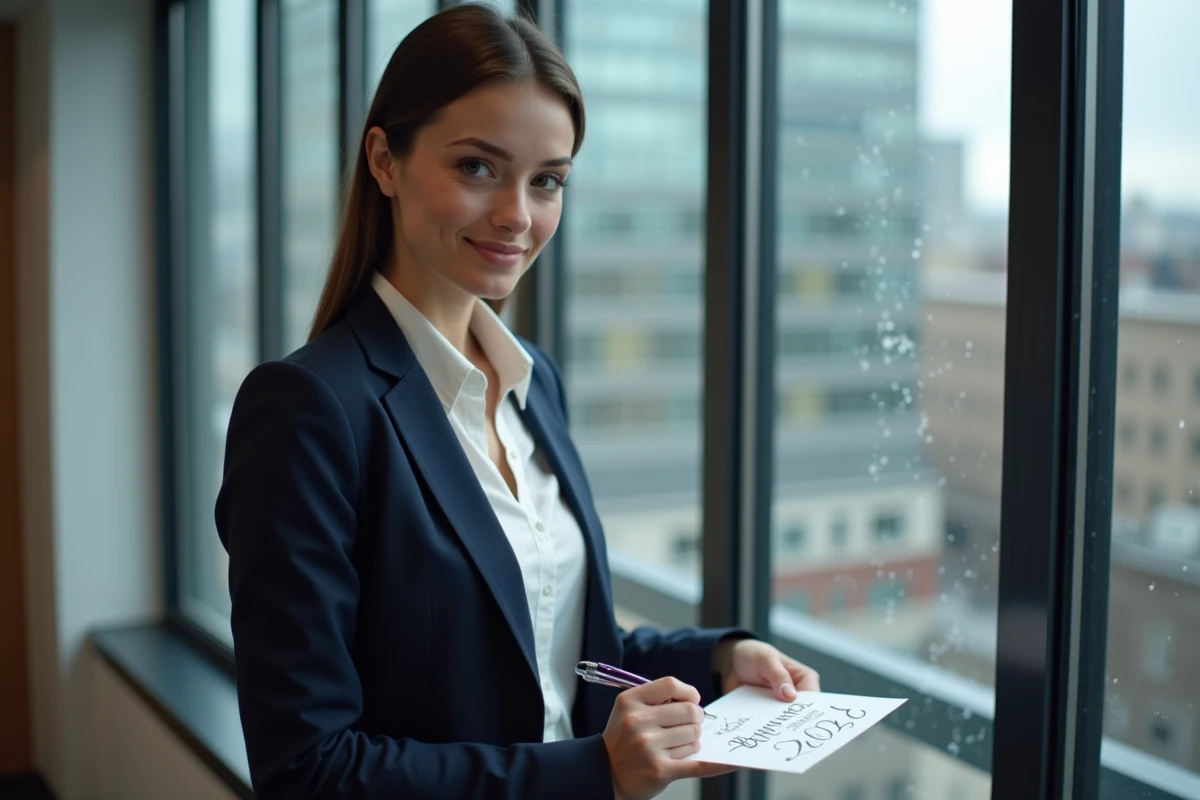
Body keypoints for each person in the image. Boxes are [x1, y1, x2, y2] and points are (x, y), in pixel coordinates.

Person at [215, 5, 819, 799]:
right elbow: (309, 771)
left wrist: (713, 659)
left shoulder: (533, 378)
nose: (517, 216)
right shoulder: (308, 411)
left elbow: (547, 644)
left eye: (548, 181)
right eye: (476, 167)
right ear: (385, 160)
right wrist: (593, 769)